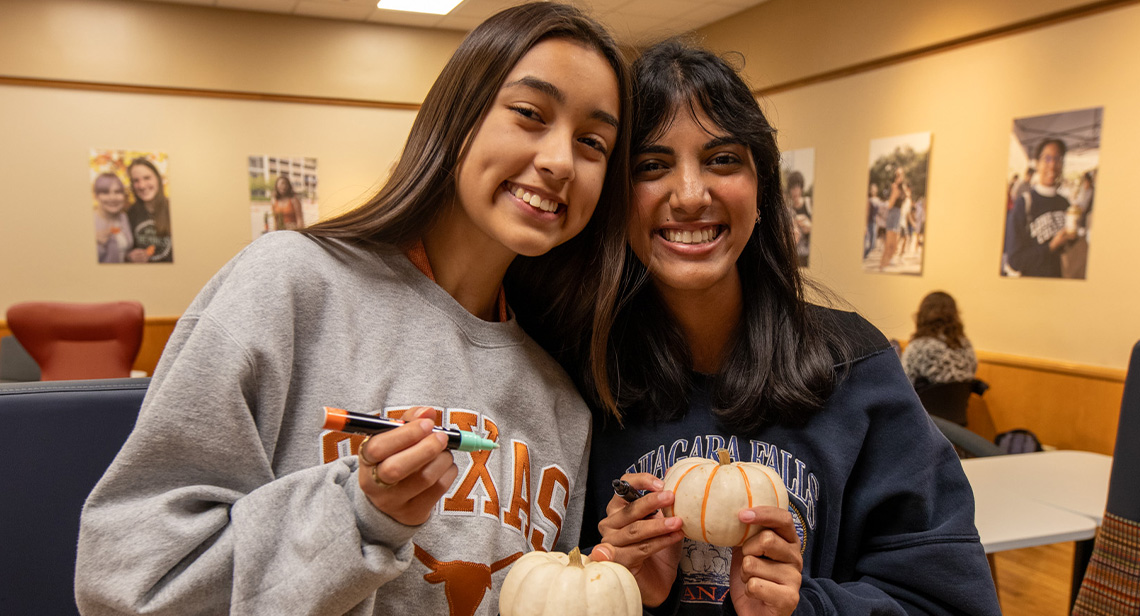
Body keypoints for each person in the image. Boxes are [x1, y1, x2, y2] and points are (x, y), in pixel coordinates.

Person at [75, 4, 631, 615]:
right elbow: (129, 579)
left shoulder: (562, 402)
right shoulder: (288, 285)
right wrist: (359, 516)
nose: (559, 161)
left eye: (593, 143)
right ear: (459, 116)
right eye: (529, 114)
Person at [577, 40, 999, 616]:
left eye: (722, 159)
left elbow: (951, 601)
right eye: (650, 166)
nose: (691, 195)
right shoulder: (580, 377)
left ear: (763, 187)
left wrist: (804, 609)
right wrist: (618, 591)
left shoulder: (857, 372)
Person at [1005, 138, 1075, 277]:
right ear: (1037, 164)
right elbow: (1014, 260)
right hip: (1033, 287)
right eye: (1047, 158)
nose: (1052, 164)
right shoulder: (1024, 203)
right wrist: (1050, 247)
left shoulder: (1065, 204)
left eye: (1058, 158)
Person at [901, 291, 977, 388]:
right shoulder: (966, 346)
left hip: (922, 403)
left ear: (922, 316)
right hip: (957, 403)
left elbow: (903, 385)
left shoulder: (918, 348)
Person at [125, 157, 174, 263]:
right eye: (136, 181)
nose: (142, 186)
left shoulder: (174, 209)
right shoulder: (129, 214)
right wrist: (129, 257)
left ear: (158, 179)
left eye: (147, 178)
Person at [91, 172, 134, 264]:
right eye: (106, 192)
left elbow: (122, 250)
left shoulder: (123, 217)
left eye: (117, 192)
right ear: (96, 196)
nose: (113, 198)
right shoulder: (90, 221)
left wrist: (130, 256)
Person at [878, 166, 906, 270]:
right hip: (893, 215)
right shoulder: (895, 187)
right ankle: (882, 265)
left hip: (897, 216)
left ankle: (885, 264)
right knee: (889, 245)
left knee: (894, 247)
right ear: (895, 176)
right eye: (898, 175)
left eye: (901, 175)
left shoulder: (902, 187)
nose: (900, 177)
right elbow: (890, 204)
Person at [785, 170, 811, 267]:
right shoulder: (788, 210)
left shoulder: (809, 204)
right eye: (792, 188)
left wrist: (810, 229)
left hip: (808, 255)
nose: (795, 191)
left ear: (801, 188)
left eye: (797, 187)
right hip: (796, 256)